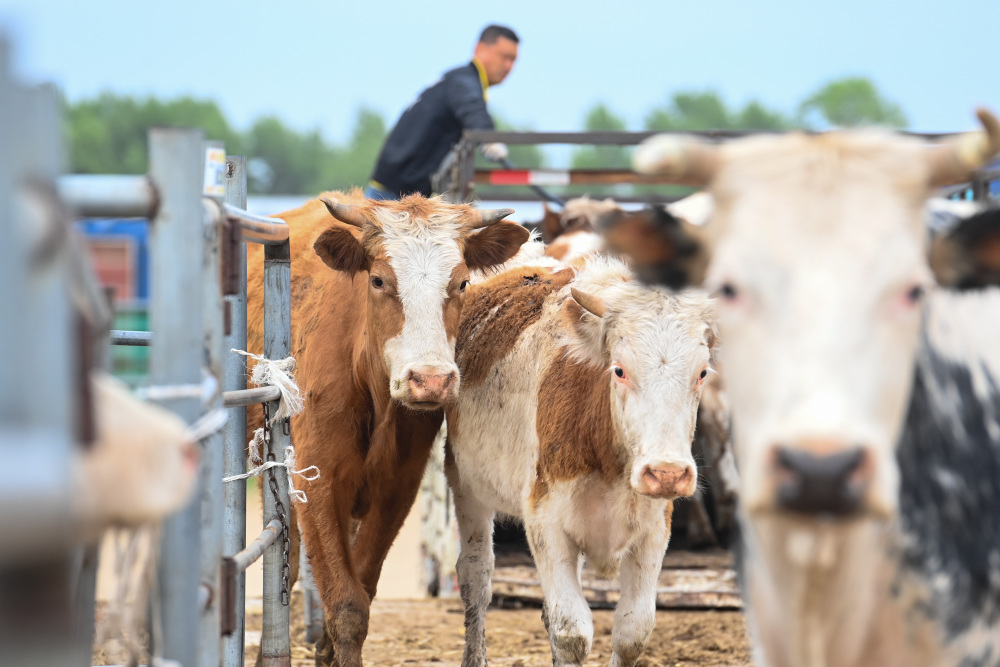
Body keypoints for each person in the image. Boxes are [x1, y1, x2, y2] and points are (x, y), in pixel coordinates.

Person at [365, 25, 519, 200]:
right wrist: (488, 137)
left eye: (513, 60)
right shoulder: (464, 82)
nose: (509, 66)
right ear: (480, 49)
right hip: (396, 193)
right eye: (505, 57)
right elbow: (471, 108)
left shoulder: (456, 79)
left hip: (398, 187)